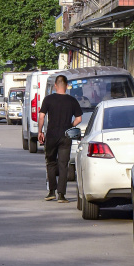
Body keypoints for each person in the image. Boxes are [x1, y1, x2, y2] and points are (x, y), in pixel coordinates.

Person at [38, 74, 82, 203]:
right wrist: (70, 126)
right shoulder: (72, 100)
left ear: (55, 85)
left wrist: (40, 132)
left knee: (51, 163)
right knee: (63, 165)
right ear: (67, 86)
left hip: (51, 135)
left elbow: (41, 117)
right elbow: (78, 119)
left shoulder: (48, 99)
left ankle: (51, 192)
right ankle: (61, 195)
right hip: (66, 136)